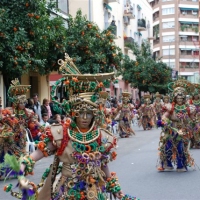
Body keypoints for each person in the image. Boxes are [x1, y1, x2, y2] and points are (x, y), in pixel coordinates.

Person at [4, 54, 138, 200]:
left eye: (88, 113)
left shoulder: (101, 136)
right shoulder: (61, 133)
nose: (85, 117)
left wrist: (116, 190)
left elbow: (103, 165)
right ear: (74, 114)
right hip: (67, 191)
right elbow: (37, 154)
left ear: (95, 114)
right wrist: (22, 167)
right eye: (81, 113)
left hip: (93, 192)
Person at [157, 79, 196, 172]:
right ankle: (167, 164)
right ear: (175, 98)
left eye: (181, 98)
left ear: (184, 99)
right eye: (177, 98)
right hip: (171, 130)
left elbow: (192, 118)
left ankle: (180, 165)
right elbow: (164, 116)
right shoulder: (170, 107)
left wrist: (193, 121)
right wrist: (164, 121)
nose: (179, 100)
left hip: (183, 131)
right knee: (168, 146)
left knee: (181, 147)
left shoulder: (188, 108)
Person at [0, 79, 33, 179]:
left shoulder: (28, 112)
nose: (23, 104)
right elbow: (4, 120)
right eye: (21, 102)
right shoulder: (9, 111)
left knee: (21, 152)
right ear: (16, 103)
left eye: (24, 102)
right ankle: (3, 171)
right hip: (10, 135)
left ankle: (19, 170)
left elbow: (31, 123)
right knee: (6, 151)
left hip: (21, 134)